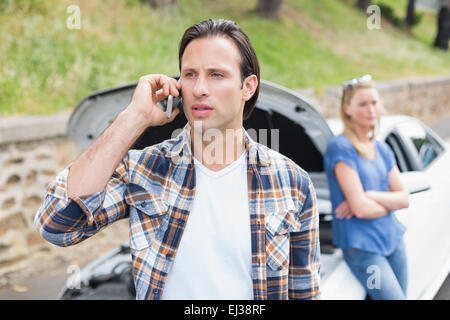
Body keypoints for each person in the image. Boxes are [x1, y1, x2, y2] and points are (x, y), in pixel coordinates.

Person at [34, 19, 320, 300]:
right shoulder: (146, 169)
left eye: (216, 75)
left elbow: (304, 292)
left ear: (248, 87)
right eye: (190, 74)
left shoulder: (292, 182)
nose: (199, 89)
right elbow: (57, 224)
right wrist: (134, 118)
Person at [323, 75, 410, 300]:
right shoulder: (341, 148)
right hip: (363, 250)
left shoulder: (382, 149)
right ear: (347, 109)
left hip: (393, 239)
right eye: (363, 104)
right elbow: (360, 209)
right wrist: (385, 202)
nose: (371, 109)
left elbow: (404, 198)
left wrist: (370, 195)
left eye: (374, 103)